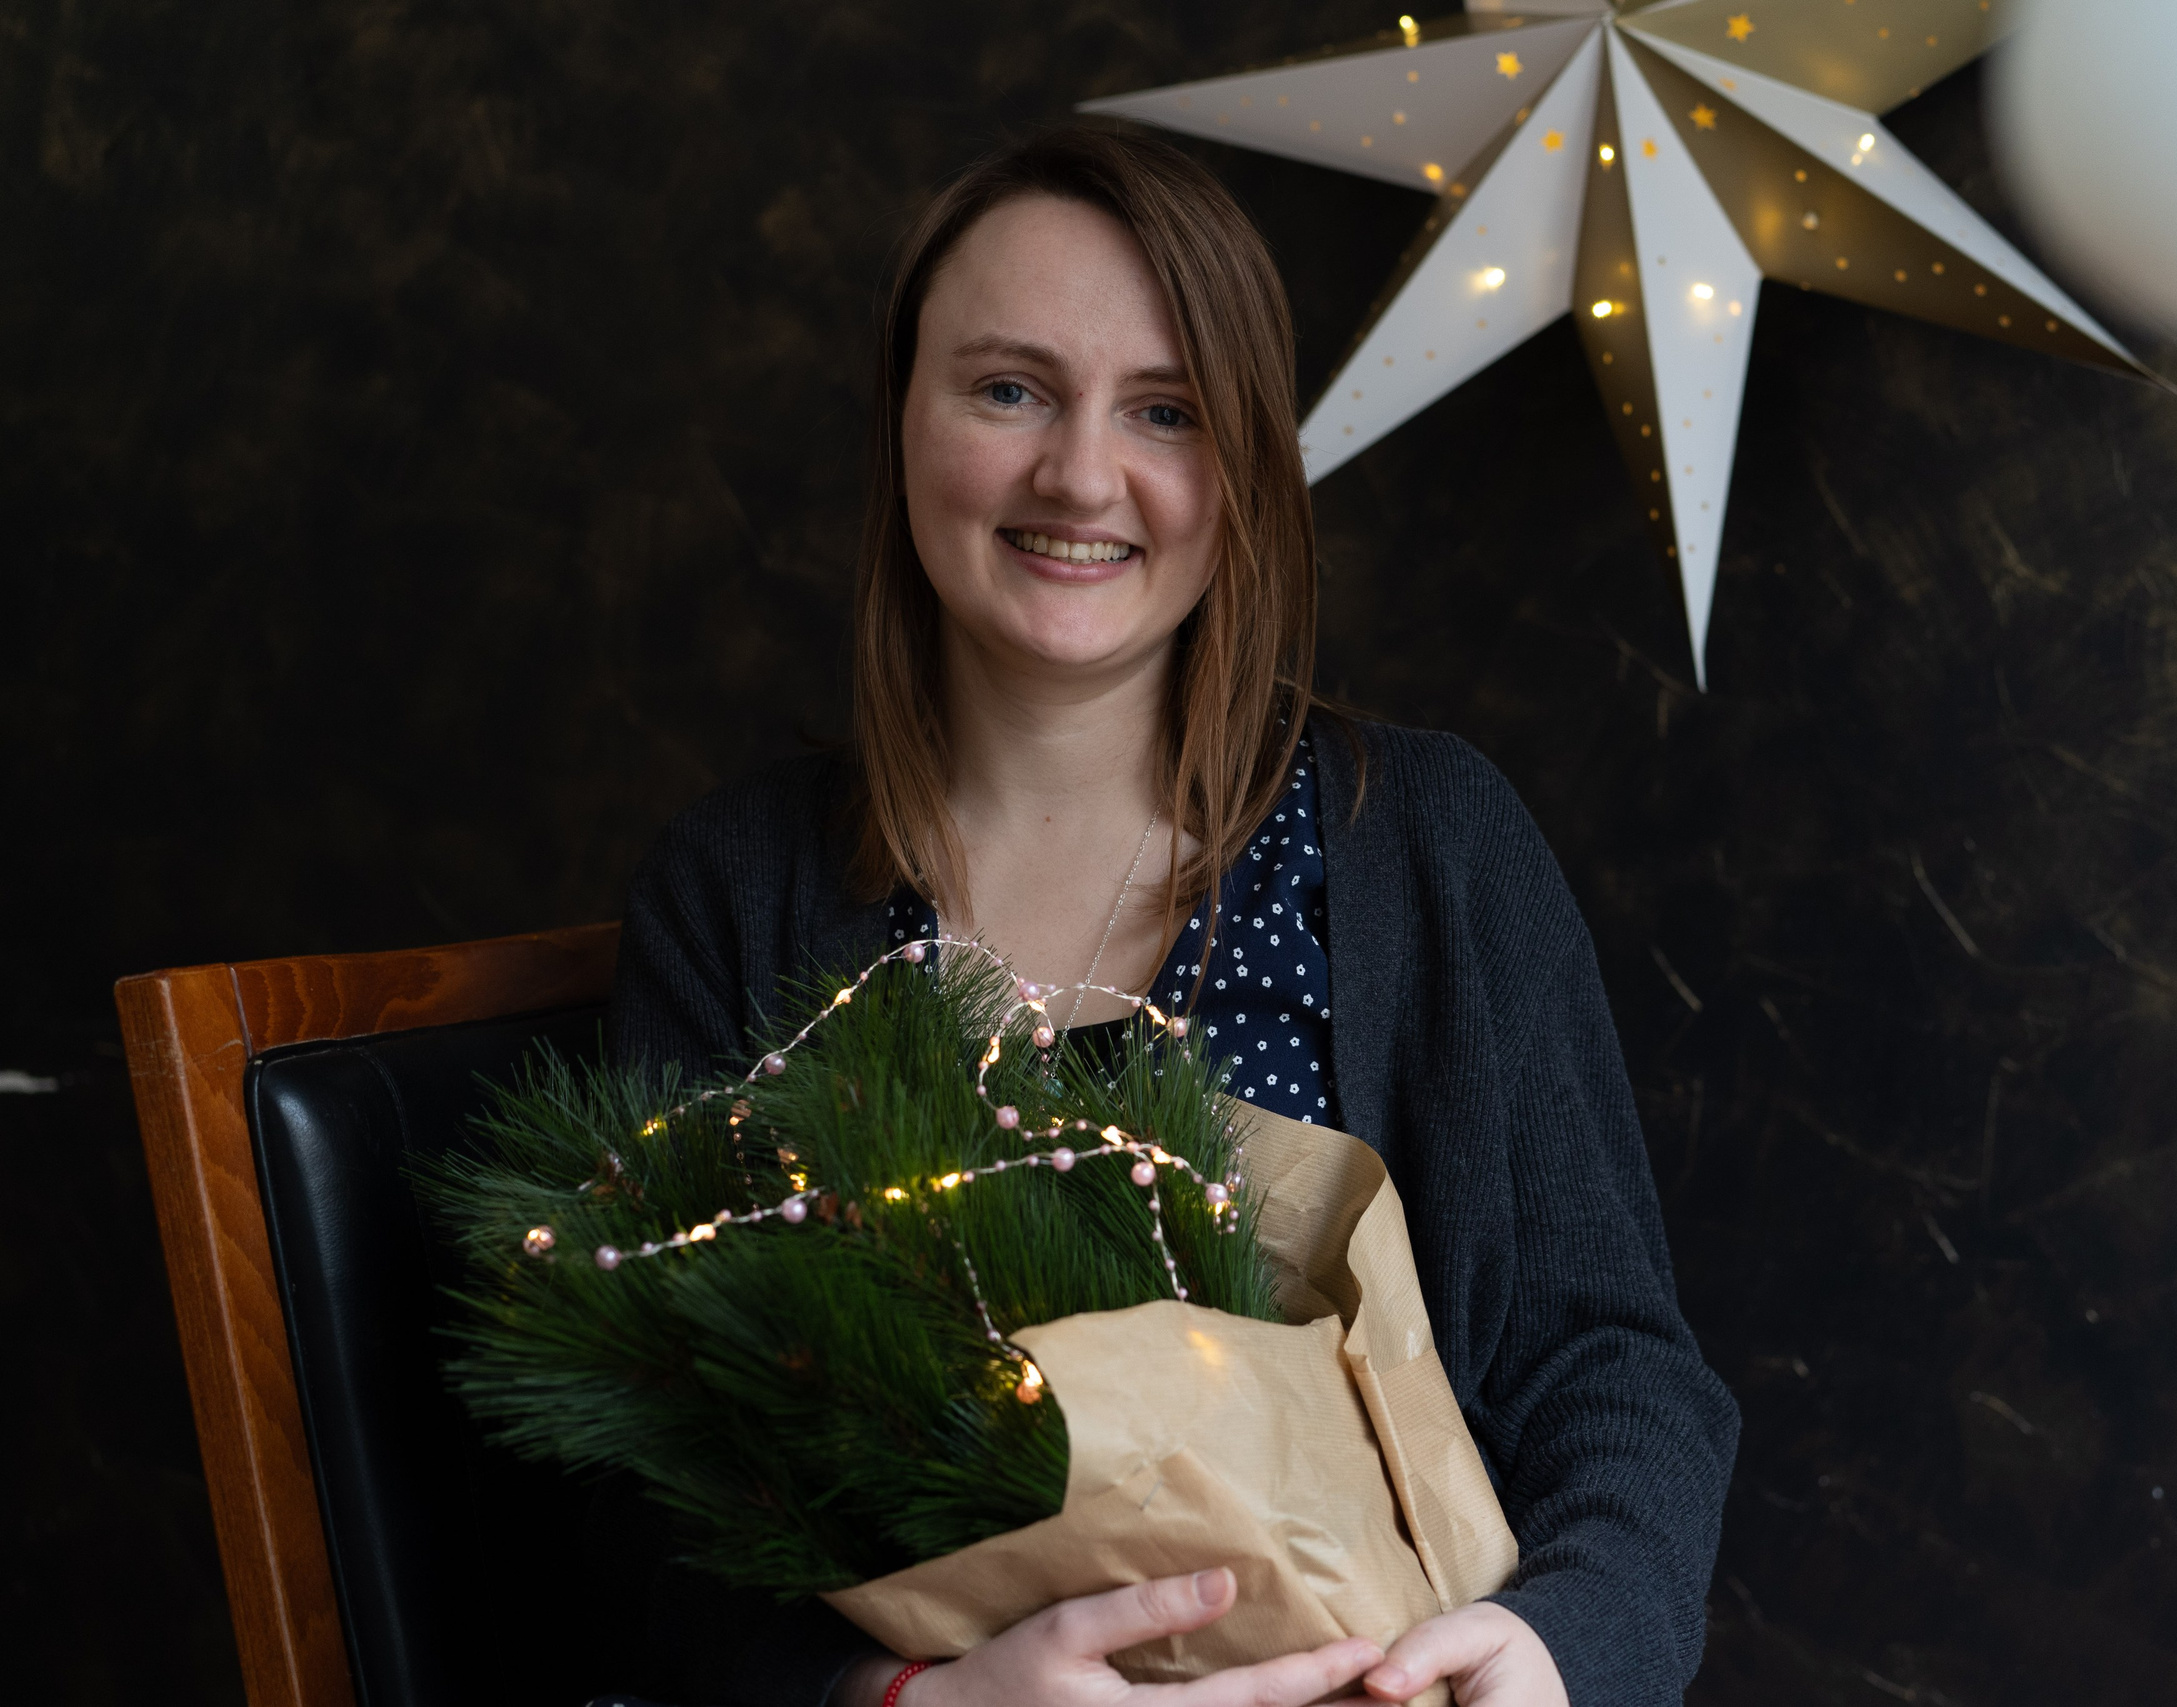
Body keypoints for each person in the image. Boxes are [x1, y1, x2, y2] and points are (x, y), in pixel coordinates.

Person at [606, 125, 1737, 1707]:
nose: (1080, 473)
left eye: (1166, 412)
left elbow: (1613, 1368)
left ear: (1246, 467)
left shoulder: (1425, 842)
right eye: (1008, 389)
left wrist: (1557, 1654)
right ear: (902, 423)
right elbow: (640, 1494)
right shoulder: (735, 892)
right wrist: (909, 1705)